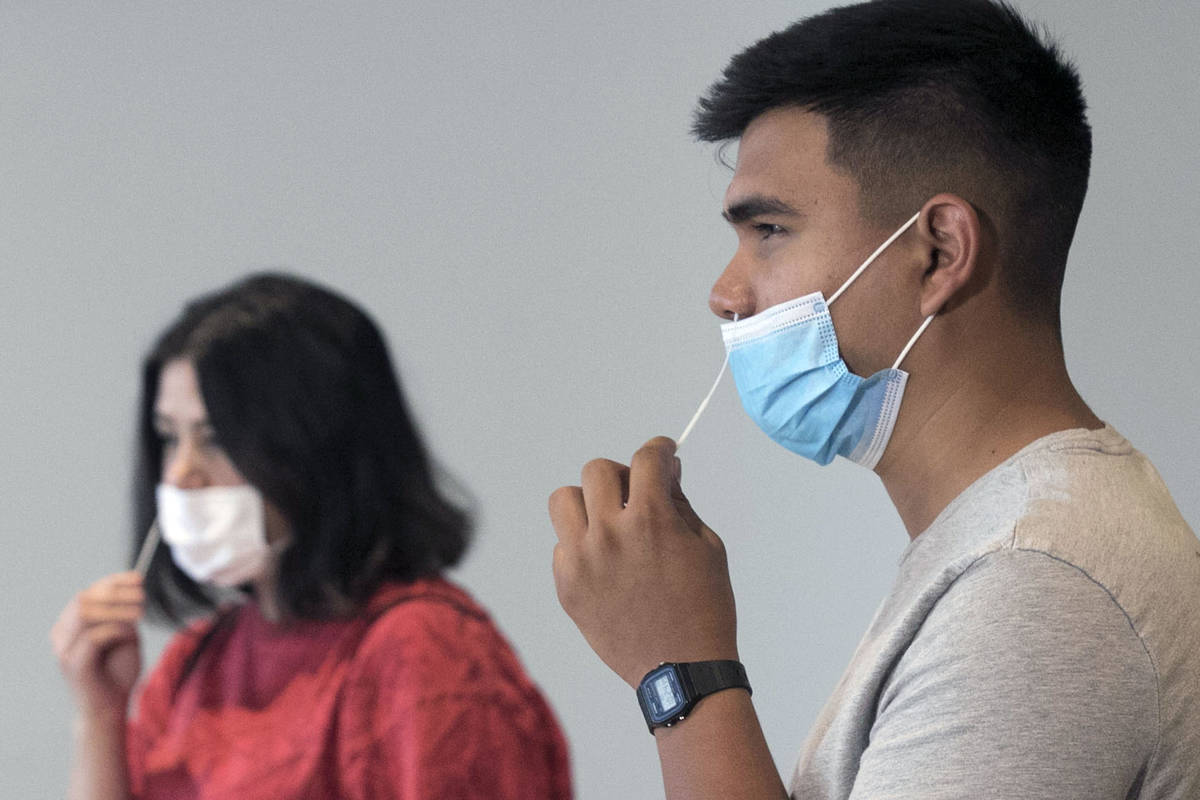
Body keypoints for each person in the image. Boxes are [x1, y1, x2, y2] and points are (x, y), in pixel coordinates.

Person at [549, 1, 1199, 798]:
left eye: (770, 231)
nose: (726, 293)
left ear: (938, 254)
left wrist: (680, 667)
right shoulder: (1019, 549)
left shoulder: (1040, 588)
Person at [51, 273, 572, 799]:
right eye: (169, 437)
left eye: (215, 439)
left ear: (315, 444)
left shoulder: (420, 651)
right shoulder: (195, 661)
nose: (181, 472)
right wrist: (99, 714)